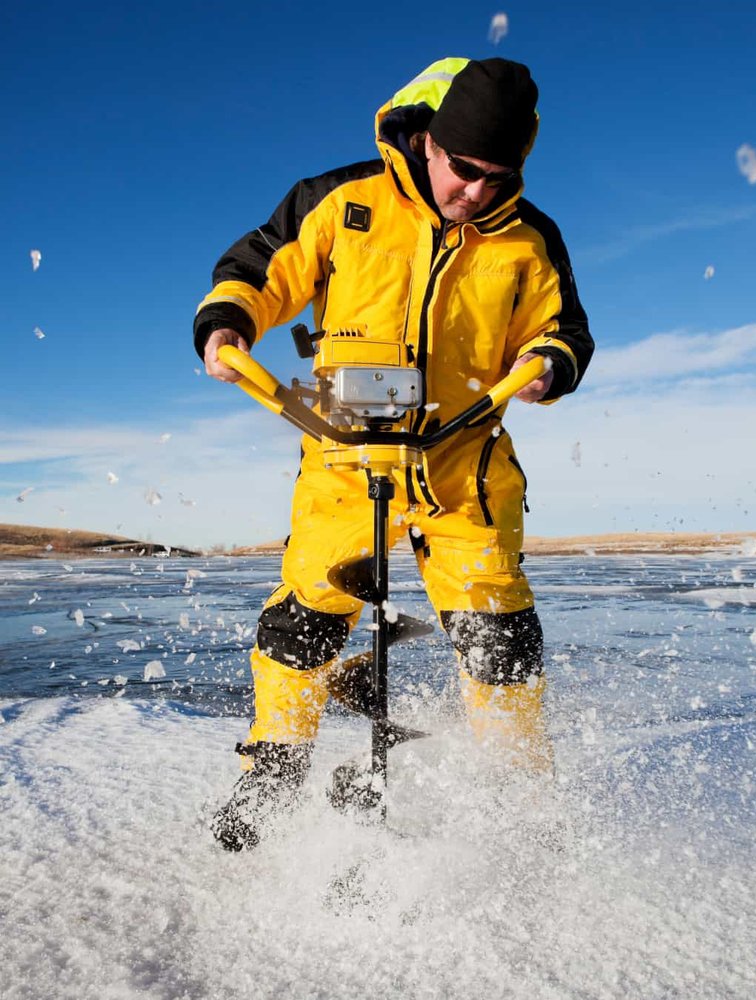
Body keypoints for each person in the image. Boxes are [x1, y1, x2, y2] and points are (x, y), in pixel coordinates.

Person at [194, 56, 594, 851]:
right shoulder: (342, 201)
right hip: (345, 462)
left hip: (465, 468)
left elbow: (566, 328)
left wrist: (550, 364)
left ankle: (518, 807)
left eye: (498, 175)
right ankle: (273, 768)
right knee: (304, 624)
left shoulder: (529, 237)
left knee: (500, 639)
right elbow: (258, 267)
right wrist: (229, 322)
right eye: (464, 169)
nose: (476, 191)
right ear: (430, 141)